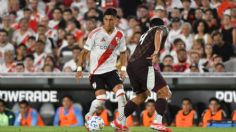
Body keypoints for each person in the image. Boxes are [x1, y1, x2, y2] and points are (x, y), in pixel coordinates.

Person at [76, 8, 128, 130]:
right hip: (96, 72)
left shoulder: (120, 35)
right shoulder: (95, 33)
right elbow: (84, 52)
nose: (108, 22)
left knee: (122, 96)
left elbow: (124, 53)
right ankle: (89, 116)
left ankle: (121, 125)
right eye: (106, 19)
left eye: (111, 19)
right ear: (103, 20)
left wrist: (123, 68)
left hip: (111, 71)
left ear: (116, 20)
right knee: (101, 100)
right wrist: (79, 68)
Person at [125, 18, 172, 131]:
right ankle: (157, 122)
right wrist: (156, 51)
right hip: (143, 65)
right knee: (165, 92)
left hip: (131, 66)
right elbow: (159, 31)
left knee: (141, 96)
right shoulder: (159, 28)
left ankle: (119, 121)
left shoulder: (144, 35)